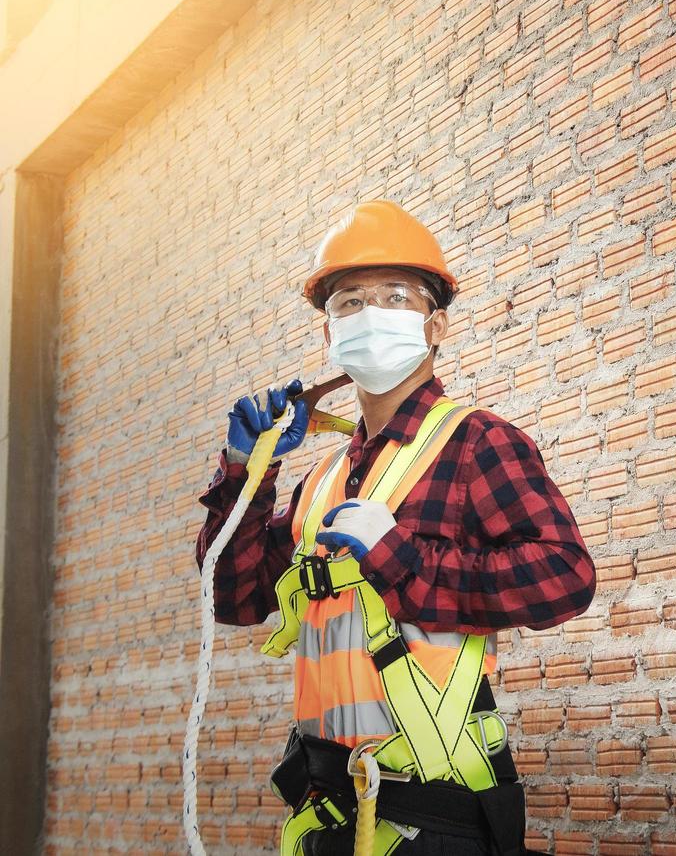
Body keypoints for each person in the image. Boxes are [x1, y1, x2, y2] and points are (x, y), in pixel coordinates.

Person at [195, 198, 594, 855]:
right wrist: (246, 470)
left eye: (395, 296)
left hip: (436, 814)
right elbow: (233, 597)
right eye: (349, 301)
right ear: (328, 336)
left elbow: (565, 578)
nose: (370, 314)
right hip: (329, 811)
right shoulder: (321, 480)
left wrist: (400, 559)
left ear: (435, 326)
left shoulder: (475, 444)